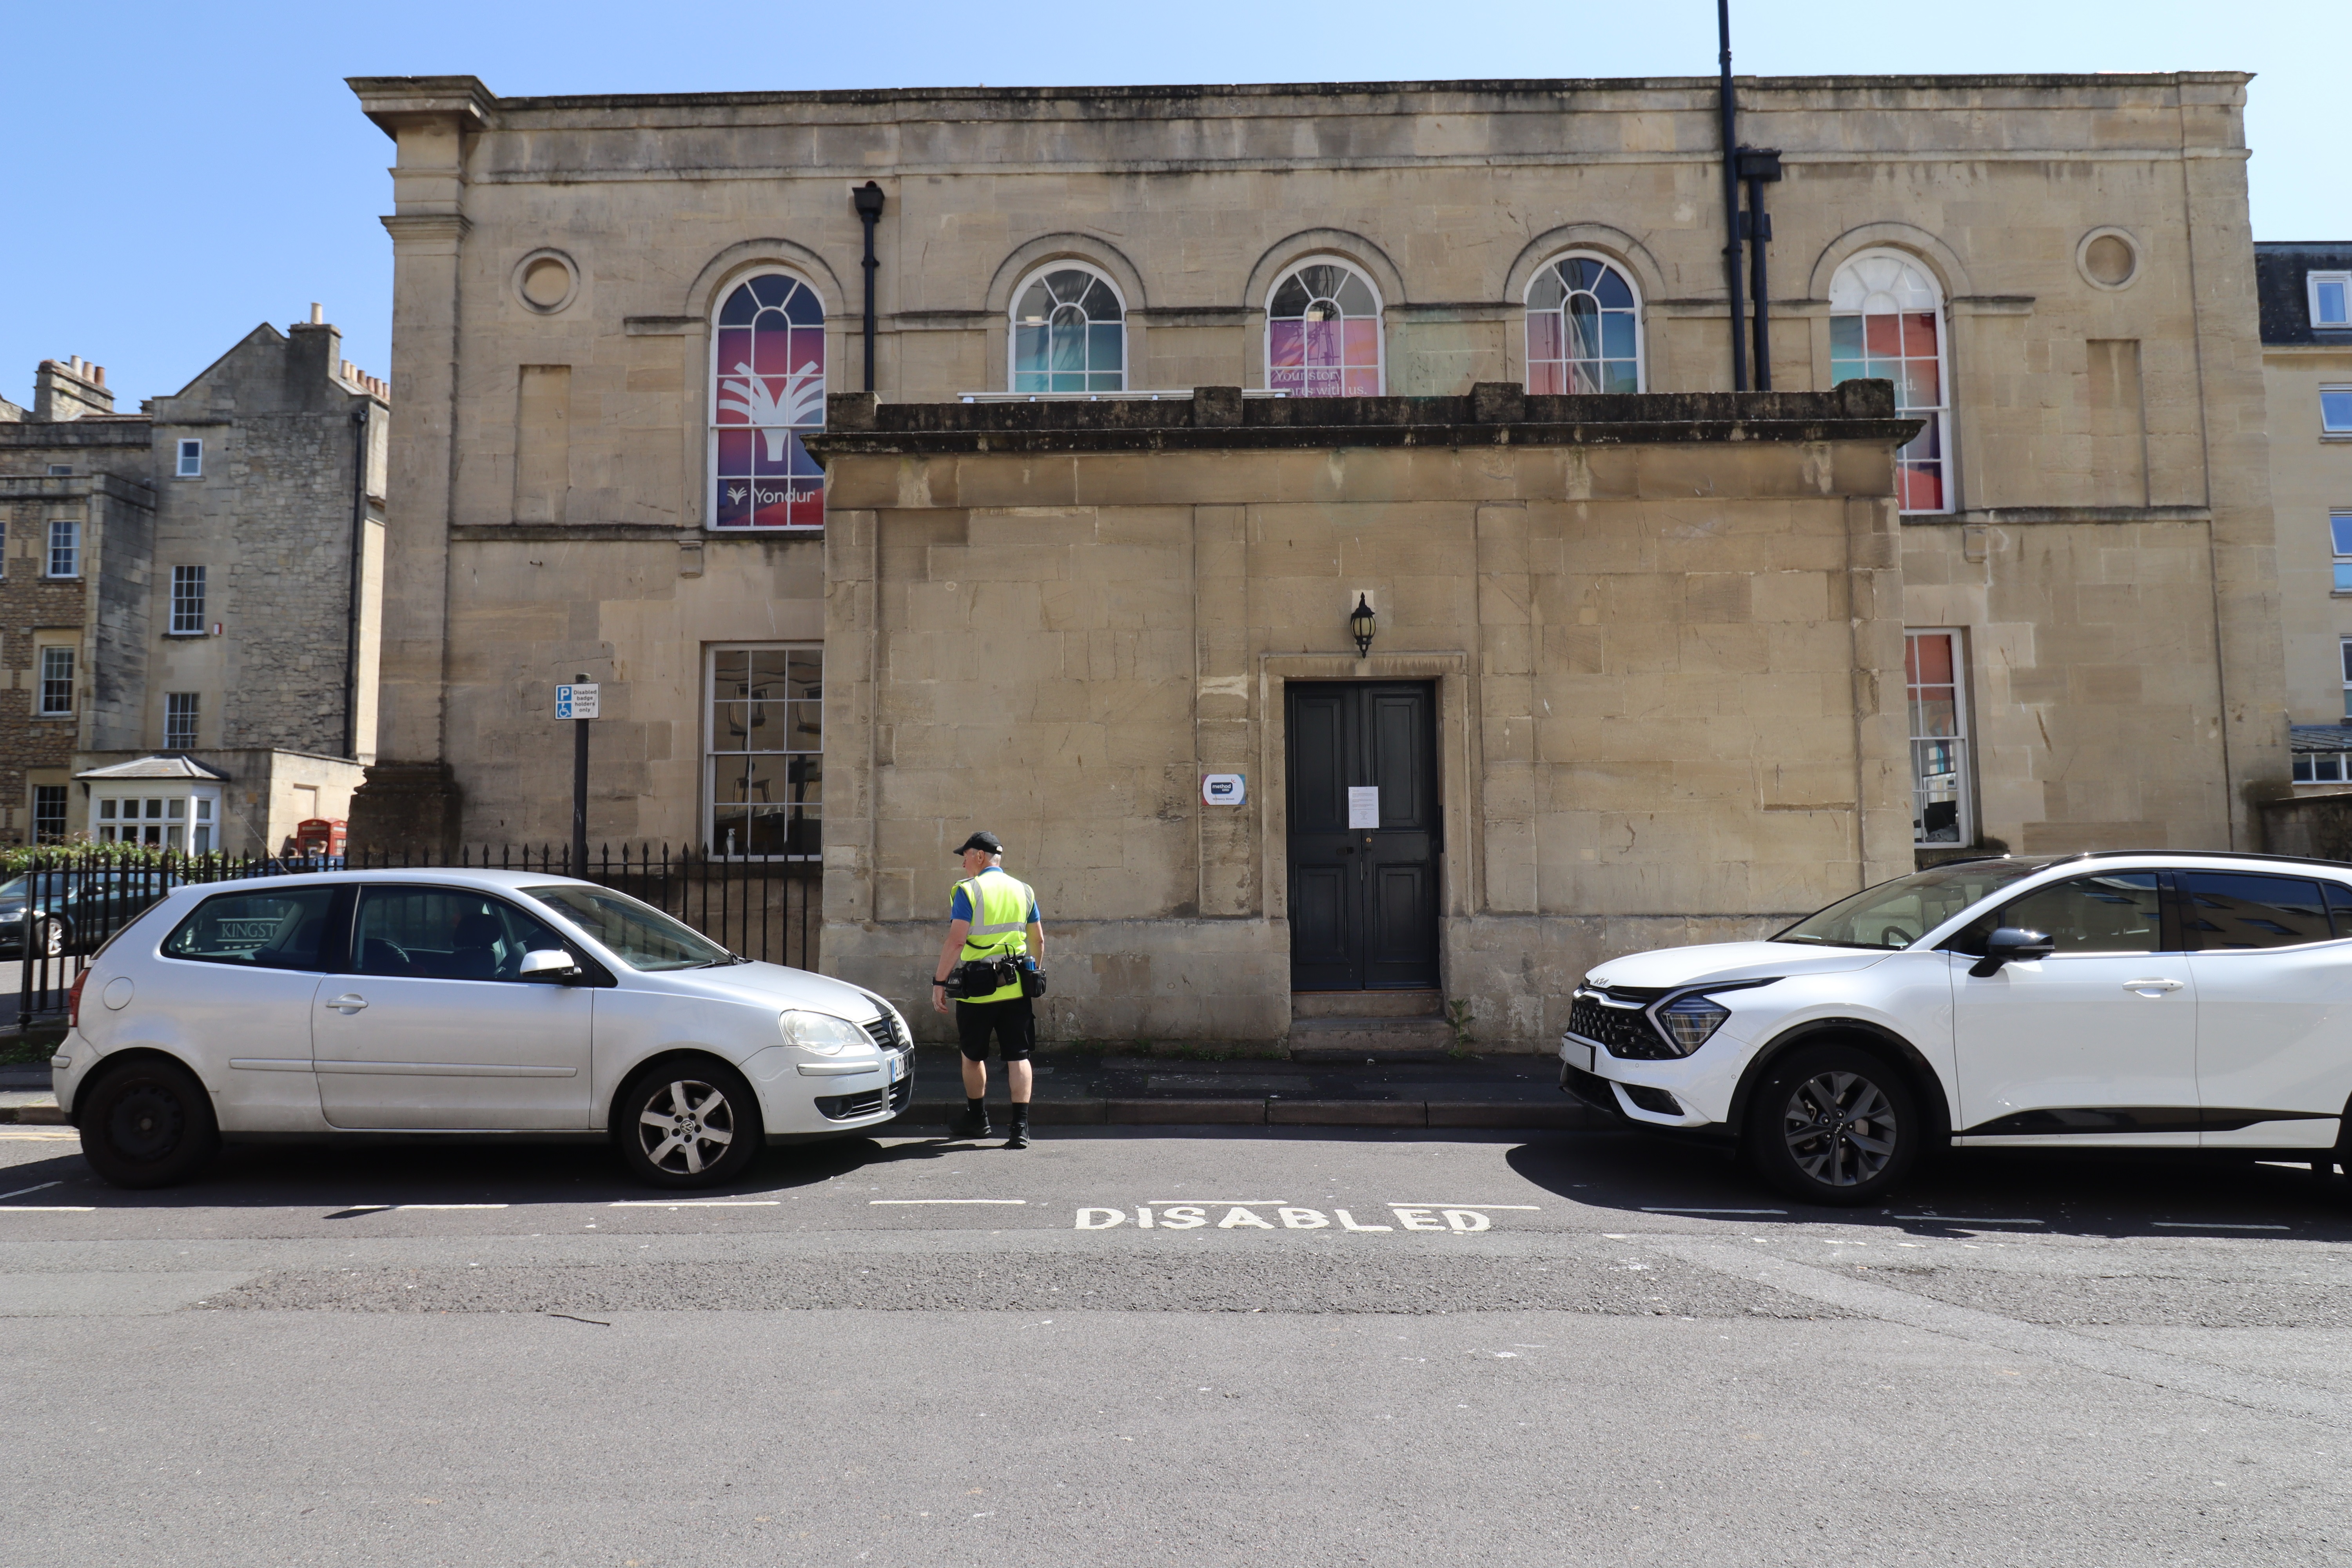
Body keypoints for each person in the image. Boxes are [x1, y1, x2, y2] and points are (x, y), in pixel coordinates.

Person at [933, 830, 1043, 1149]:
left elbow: (956, 941)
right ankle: (1020, 1128)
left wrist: (939, 982)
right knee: (1018, 1056)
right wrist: (1031, 971)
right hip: (1015, 990)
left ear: (979, 856)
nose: (964, 863)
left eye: (965, 856)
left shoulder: (968, 890)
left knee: (972, 1055)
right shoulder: (1024, 890)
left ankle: (977, 1119)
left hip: (976, 991)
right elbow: (1038, 940)